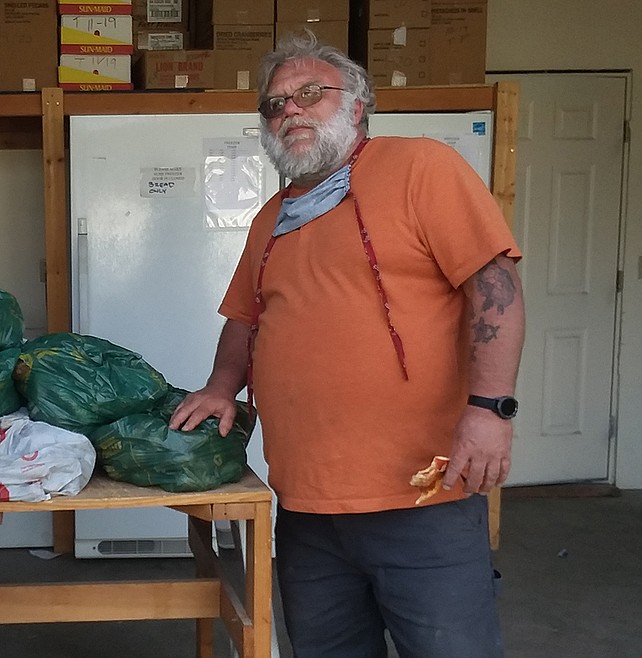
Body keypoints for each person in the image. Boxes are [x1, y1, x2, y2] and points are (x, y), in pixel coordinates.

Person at [170, 32, 525, 657]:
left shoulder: (420, 167)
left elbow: (496, 287)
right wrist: (222, 386)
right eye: (274, 105)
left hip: (422, 494)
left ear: (358, 105)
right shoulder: (271, 218)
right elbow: (245, 320)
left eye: (310, 94)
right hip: (306, 506)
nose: (289, 111)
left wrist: (490, 408)